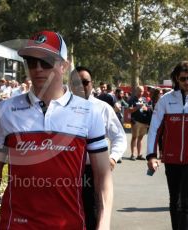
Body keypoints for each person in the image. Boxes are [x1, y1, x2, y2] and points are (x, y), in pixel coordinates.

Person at [0, 30, 113, 230]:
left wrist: (103, 224)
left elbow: (102, 176)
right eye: (31, 61)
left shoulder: (90, 112)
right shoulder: (6, 110)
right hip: (16, 225)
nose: (37, 69)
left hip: (69, 225)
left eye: (46, 62)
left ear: (64, 65)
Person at [70, 66, 126, 230]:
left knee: (93, 214)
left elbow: (119, 137)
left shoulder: (103, 108)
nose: (81, 86)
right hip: (68, 171)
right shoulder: (61, 108)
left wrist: (113, 157)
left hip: (93, 170)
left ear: (91, 83)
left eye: (85, 82)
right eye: (76, 82)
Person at [146, 61, 188, 230]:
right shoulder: (165, 101)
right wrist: (151, 156)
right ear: (176, 78)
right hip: (172, 160)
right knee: (174, 200)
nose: (187, 82)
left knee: (187, 202)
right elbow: (154, 129)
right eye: (183, 79)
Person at [128, 85, 153, 160]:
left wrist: (146, 108)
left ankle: (139, 154)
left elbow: (148, 108)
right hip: (136, 121)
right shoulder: (132, 99)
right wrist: (137, 107)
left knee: (140, 138)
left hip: (144, 121)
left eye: (142, 91)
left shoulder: (144, 99)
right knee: (134, 137)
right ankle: (133, 154)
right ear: (136, 91)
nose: (141, 93)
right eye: (139, 91)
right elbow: (129, 110)